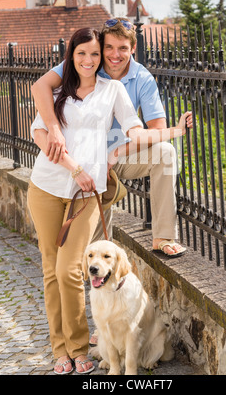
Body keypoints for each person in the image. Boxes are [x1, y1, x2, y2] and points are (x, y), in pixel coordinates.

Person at [27, 27, 190, 375]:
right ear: (71, 56)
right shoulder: (58, 91)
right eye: (82, 54)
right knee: (50, 270)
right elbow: (39, 132)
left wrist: (172, 132)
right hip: (46, 186)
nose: (90, 60)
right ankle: (61, 351)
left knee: (70, 269)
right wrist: (72, 165)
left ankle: (80, 346)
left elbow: (135, 129)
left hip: (87, 192)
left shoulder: (113, 89)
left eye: (94, 55)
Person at [31, 18, 193, 261]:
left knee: (166, 152)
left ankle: (163, 237)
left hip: (120, 154)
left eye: (123, 48)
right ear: (101, 47)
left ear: (133, 49)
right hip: (81, 159)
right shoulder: (87, 61)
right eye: (109, 47)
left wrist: (114, 154)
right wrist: (53, 128)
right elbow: (40, 86)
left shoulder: (142, 78)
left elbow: (155, 129)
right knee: (89, 245)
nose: (115, 55)